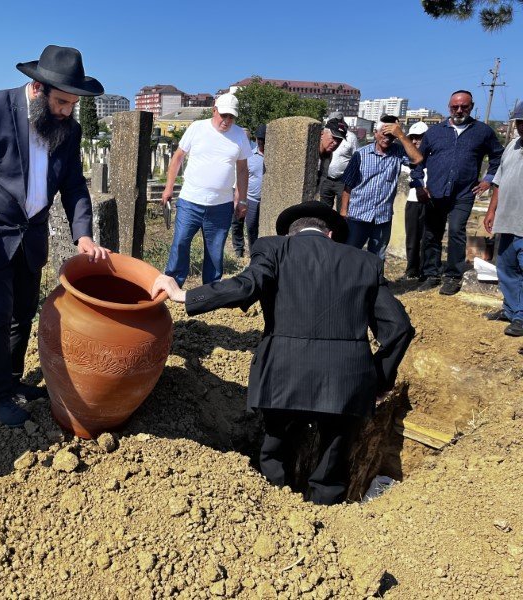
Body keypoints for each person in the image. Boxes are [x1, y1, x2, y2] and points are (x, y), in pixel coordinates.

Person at [151, 201, 414, 505]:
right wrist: (377, 381)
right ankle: (326, 524)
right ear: (331, 235)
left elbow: (247, 286)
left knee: (275, 455)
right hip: (346, 382)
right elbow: (399, 329)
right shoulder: (364, 262)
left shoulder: (273, 249)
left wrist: (185, 295)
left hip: (284, 375)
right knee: (332, 466)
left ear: (291, 234)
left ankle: (274, 514)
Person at [0, 45, 109, 428]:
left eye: (73, 104)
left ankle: (14, 380)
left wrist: (83, 235)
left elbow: (74, 186)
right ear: (37, 88)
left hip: (31, 238)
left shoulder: (68, 129)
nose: (68, 111)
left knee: (23, 314)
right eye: (62, 102)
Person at [413, 90, 505, 295]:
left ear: (471, 106)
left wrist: (488, 181)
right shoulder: (435, 132)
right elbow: (417, 159)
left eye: (464, 106)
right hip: (434, 192)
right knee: (431, 234)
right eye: (455, 106)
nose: (459, 110)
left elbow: (498, 157)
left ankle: (453, 276)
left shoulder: (482, 132)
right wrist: (418, 185)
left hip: (463, 193)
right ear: (449, 107)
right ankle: (431, 274)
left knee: (456, 231)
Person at [160, 93, 251, 286]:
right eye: (223, 115)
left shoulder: (239, 136)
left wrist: (242, 200)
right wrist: (169, 187)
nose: (226, 121)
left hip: (221, 205)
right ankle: (173, 284)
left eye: (231, 117)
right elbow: (178, 158)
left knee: (215, 250)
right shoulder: (197, 128)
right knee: (181, 243)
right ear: (214, 110)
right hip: (191, 200)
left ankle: (210, 290)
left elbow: (242, 170)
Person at [340, 115, 423, 267]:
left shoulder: (398, 152)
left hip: (382, 217)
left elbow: (417, 159)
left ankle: (375, 286)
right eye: (384, 135)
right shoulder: (361, 154)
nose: (387, 139)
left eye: (391, 136)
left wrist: (401, 136)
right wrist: (343, 211)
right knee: (349, 254)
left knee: (377, 258)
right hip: (358, 215)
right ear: (376, 133)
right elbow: (348, 185)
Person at [483, 102, 523, 337]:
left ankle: (521, 316)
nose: (521, 127)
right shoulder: (512, 146)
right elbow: (498, 181)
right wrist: (491, 211)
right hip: (507, 221)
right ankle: (511, 310)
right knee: (506, 269)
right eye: (519, 122)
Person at [399, 121, 429, 281]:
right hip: (412, 200)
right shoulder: (408, 158)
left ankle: (425, 270)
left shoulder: (432, 156)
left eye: (419, 138)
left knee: (427, 238)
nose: (416, 141)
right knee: (412, 238)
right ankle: (411, 269)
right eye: (413, 138)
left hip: (429, 201)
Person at [230, 125, 266, 257]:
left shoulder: (271, 157)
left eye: (264, 140)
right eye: (260, 140)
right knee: (247, 226)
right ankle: (245, 251)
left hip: (263, 199)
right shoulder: (250, 156)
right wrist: (238, 197)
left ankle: (259, 254)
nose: (261, 142)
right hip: (248, 197)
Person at [319, 111, 359, 210]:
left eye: (339, 120)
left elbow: (357, 158)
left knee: (342, 211)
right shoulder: (323, 136)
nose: (335, 142)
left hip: (342, 181)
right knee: (324, 210)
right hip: (326, 179)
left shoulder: (351, 137)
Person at [315, 118, 349, 191]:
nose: (336, 143)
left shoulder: (329, 155)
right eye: (333, 137)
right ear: (322, 134)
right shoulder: (311, 154)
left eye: (339, 140)